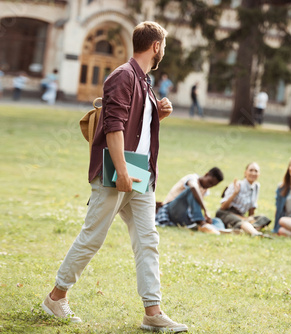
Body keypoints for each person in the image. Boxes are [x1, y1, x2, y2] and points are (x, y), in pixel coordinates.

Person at [41, 21, 188, 333]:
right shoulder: (123, 75)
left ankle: (153, 312)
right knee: (93, 236)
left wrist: (156, 114)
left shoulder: (144, 81)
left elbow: (134, 124)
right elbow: (114, 125)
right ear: (157, 46)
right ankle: (56, 297)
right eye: (164, 46)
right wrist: (121, 169)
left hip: (141, 172)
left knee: (148, 241)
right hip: (118, 170)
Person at [155, 167, 225, 234]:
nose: (209, 186)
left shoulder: (205, 189)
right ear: (206, 174)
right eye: (210, 182)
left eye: (212, 185)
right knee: (191, 191)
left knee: (217, 220)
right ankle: (202, 224)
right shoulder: (192, 178)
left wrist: (206, 218)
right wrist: (205, 210)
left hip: (186, 215)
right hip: (172, 210)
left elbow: (195, 205)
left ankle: (218, 230)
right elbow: (193, 187)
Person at [216, 162, 271, 237]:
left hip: (242, 216)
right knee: (243, 222)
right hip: (227, 213)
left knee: (263, 218)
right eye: (251, 170)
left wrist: (250, 218)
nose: (253, 173)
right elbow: (223, 207)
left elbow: (252, 208)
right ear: (245, 173)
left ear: (259, 174)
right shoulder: (237, 185)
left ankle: (242, 229)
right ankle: (255, 233)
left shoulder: (256, 186)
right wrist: (234, 194)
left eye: (256, 171)